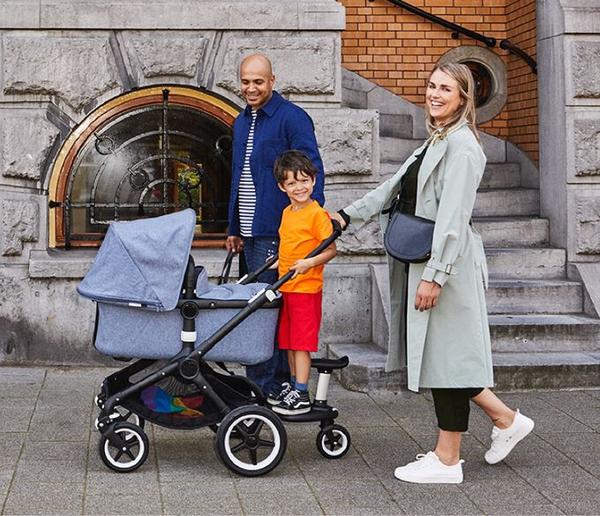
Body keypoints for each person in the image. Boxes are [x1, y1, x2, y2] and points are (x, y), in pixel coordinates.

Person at [331, 63, 534, 484]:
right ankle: (505, 420)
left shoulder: (463, 147)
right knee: (448, 357)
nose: (435, 94)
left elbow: (454, 218)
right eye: (431, 86)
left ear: (463, 99)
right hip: (431, 261)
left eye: (446, 89)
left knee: (448, 362)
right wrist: (348, 215)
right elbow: (394, 186)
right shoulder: (438, 138)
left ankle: (447, 460)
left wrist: (435, 276)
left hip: (446, 265)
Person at [226, 54, 325, 401]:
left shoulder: (292, 118)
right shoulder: (241, 121)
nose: (251, 88)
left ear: (272, 80)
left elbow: (312, 169)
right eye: (245, 81)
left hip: (277, 232)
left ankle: (271, 386)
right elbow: (238, 176)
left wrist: (311, 227)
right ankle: (265, 383)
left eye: (258, 81)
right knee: (259, 308)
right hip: (249, 233)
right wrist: (234, 227)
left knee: (267, 311)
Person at [268, 150, 336, 415]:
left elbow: (331, 250)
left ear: (314, 180)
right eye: (292, 183)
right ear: (282, 187)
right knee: (288, 341)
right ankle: (293, 385)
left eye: (304, 181)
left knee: (301, 344)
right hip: (286, 286)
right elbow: (291, 244)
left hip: (306, 289)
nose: (299, 187)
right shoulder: (287, 212)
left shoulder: (317, 214)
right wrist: (279, 262)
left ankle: (302, 391)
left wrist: (309, 263)